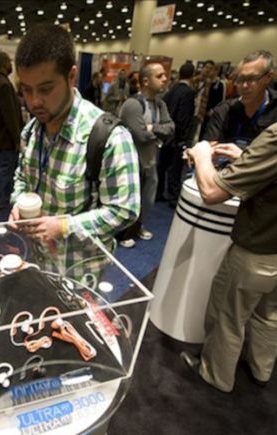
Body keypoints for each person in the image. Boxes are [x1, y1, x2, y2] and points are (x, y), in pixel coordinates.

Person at [8, 23, 140, 274]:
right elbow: (22, 178)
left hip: (80, 270)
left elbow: (124, 210)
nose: (34, 101)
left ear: (72, 76)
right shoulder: (31, 131)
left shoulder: (109, 137)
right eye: (26, 90)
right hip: (36, 260)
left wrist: (64, 227)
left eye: (45, 89)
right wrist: (18, 202)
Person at [181, 123, 277, 393]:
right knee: (269, 314)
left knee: (227, 316)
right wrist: (247, 157)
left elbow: (212, 192)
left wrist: (201, 155)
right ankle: (261, 369)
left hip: (256, 250)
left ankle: (215, 375)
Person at [117, 63, 175, 248]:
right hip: (132, 162)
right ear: (145, 81)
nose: (165, 79)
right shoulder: (133, 104)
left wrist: (152, 128)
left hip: (150, 160)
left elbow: (171, 128)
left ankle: (137, 227)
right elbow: (141, 136)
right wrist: (157, 132)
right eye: (159, 76)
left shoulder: (160, 104)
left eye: (164, 75)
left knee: (147, 199)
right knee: (129, 199)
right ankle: (123, 233)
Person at [203, 51, 277, 149]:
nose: (244, 86)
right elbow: (209, 148)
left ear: (268, 77)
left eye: (251, 78)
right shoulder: (224, 110)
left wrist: (244, 156)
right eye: (240, 79)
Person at [0, 51, 23, 210]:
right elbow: (10, 115)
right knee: (6, 168)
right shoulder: (5, 85)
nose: (11, 65)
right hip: (6, 137)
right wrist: (17, 138)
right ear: (4, 63)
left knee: (5, 167)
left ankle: (6, 195)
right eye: (9, 61)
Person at [159, 62, 196, 207]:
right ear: (192, 75)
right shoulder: (188, 93)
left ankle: (159, 192)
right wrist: (183, 139)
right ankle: (173, 197)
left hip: (166, 135)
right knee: (176, 168)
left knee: (162, 166)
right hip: (177, 137)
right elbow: (183, 118)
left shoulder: (171, 90)